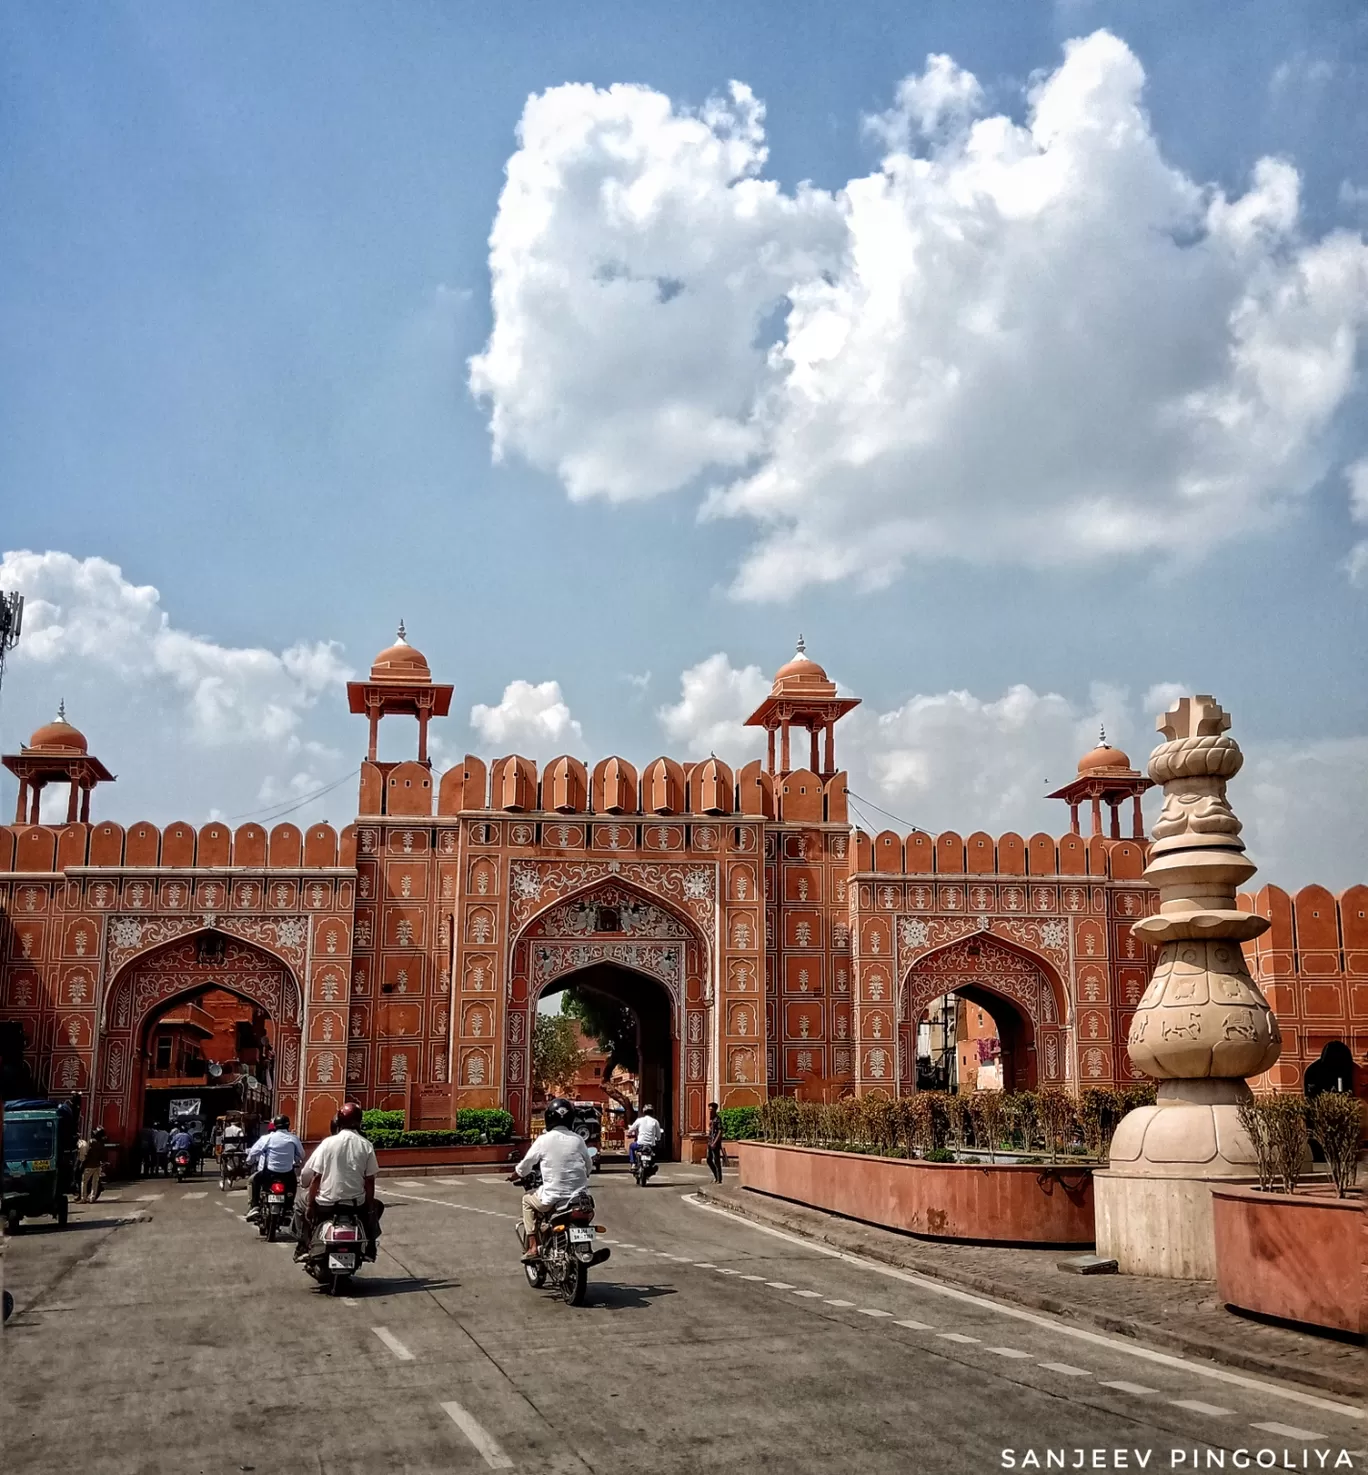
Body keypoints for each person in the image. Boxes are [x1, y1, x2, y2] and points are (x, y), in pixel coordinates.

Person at [295, 1102, 382, 1261]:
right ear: (359, 1121)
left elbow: (316, 1178)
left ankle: (303, 1245)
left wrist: (310, 1206)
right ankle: (370, 1246)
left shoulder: (328, 1143)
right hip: (355, 1204)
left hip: (326, 1204)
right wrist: (369, 1208)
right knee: (377, 1207)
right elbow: (370, 1181)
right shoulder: (366, 1145)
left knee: (300, 1205)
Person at [512, 1097, 592, 1265]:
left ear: (548, 1118)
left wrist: (517, 1174)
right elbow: (588, 1166)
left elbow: (526, 1164)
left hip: (552, 1197)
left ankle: (533, 1247)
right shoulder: (578, 1140)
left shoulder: (544, 1139)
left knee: (527, 1200)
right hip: (581, 1199)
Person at [245, 1115, 304, 1217]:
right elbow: (302, 1154)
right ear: (288, 1126)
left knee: (255, 1181)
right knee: (293, 1184)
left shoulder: (267, 1138)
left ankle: (255, 1206)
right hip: (287, 1174)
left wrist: (249, 1162)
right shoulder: (293, 1139)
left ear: (275, 1126)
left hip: (269, 1174)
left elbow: (254, 1152)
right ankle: (289, 1206)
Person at [77, 1127, 107, 1203]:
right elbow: (103, 1155)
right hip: (97, 1165)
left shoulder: (91, 1142)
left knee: (84, 1182)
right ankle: (92, 1198)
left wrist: (83, 1162)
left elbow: (87, 1153)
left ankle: (83, 1198)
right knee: (95, 1183)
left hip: (89, 1165)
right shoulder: (101, 1143)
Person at [706, 1102, 724, 1184]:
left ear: (715, 1110)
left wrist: (715, 1142)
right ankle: (716, 1176)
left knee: (716, 1161)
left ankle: (719, 1179)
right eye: (709, 1109)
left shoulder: (717, 1119)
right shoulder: (711, 1119)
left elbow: (720, 1132)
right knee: (708, 1159)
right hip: (710, 1142)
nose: (710, 1111)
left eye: (711, 1110)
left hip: (715, 1143)